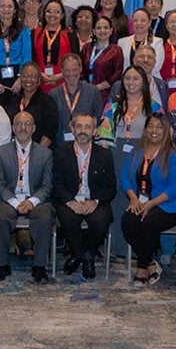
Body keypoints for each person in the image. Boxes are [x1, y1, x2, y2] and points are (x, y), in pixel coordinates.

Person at [120, 114, 176, 285]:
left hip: (171, 205)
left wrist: (152, 203)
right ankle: (150, 262)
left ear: (166, 131)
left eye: (159, 127)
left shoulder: (173, 155)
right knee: (128, 221)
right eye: (150, 126)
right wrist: (134, 199)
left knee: (149, 222)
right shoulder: (137, 152)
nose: (154, 130)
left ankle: (142, 268)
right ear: (145, 129)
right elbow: (125, 178)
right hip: (141, 202)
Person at [0, 111, 56, 284]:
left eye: (27, 124)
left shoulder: (45, 154)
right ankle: (2, 265)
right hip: (8, 199)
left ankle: (39, 266)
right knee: (0, 217)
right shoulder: (0, 152)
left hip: (35, 199)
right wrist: (16, 203)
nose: (22, 128)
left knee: (44, 218)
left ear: (33, 128)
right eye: (18, 124)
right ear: (12, 128)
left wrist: (31, 202)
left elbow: (47, 186)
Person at [52, 112, 116, 281]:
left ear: (95, 131)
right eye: (78, 126)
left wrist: (95, 201)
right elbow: (56, 185)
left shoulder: (105, 155)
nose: (83, 131)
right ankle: (86, 257)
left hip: (94, 201)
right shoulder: (61, 153)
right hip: (70, 200)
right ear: (72, 128)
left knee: (101, 220)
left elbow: (111, 187)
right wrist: (70, 201)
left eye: (88, 127)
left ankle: (79, 256)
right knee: (68, 218)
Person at [52, 53, 103, 147]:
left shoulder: (93, 91)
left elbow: (98, 118)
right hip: (60, 148)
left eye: (74, 69)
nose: (71, 74)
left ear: (80, 69)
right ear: (62, 71)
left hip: (87, 146)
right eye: (67, 70)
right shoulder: (53, 95)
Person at [0, 0, 31, 93]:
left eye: (10, 6)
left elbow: (27, 56)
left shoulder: (23, 30)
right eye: (2, 6)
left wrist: (21, 78)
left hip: (18, 76)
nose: (6, 9)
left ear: (15, 10)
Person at [4, 63, 59, 148]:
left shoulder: (47, 101)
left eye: (33, 77)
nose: (29, 80)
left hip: (39, 153)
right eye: (25, 76)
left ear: (39, 80)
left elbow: (49, 132)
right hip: (15, 151)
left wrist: (36, 156)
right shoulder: (13, 100)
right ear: (20, 78)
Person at [33, 0, 75, 92]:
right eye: (49, 11)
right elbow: (32, 58)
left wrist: (61, 75)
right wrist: (40, 74)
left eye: (57, 12)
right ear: (44, 14)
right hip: (40, 81)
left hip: (64, 81)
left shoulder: (70, 34)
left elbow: (76, 59)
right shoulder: (35, 33)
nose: (52, 14)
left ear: (62, 15)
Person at [82, 14, 124, 104]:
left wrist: (97, 88)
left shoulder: (116, 50)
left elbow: (117, 74)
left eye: (105, 28)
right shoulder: (86, 48)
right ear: (93, 31)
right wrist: (88, 87)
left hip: (107, 94)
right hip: (87, 92)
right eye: (98, 28)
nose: (102, 31)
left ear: (111, 30)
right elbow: (81, 70)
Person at [116, 9, 164, 87]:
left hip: (150, 84)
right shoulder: (122, 42)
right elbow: (120, 66)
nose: (139, 23)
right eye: (135, 21)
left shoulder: (157, 42)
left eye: (143, 20)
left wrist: (139, 80)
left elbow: (156, 66)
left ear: (149, 22)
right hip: (128, 84)